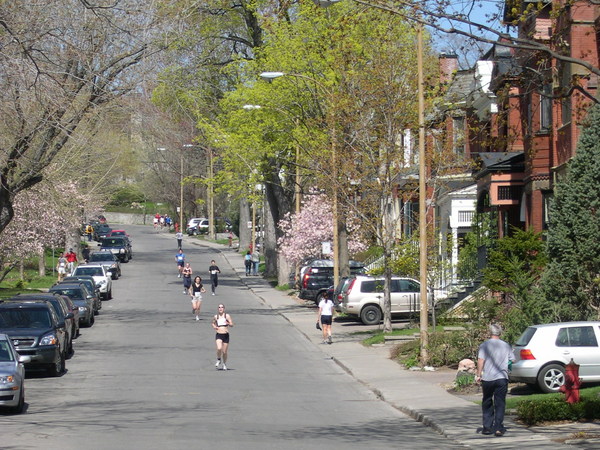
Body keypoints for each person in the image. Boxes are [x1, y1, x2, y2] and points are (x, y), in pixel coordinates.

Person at [476, 324, 515, 437]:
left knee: (487, 401)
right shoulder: (506, 345)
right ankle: (498, 427)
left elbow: (480, 360)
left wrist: (478, 374)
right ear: (500, 333)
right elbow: (513, 359)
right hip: (502, 377)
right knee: (500, 402)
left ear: (490, 332)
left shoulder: (484, 345)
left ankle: (487, 427)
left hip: (488, 378)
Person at [212, 304, 234, 370]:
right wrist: (215, 327)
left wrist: (228, 324)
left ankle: (224, 364)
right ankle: (218, 359)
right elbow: (213, 323)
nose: (220, 308)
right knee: (219, 348)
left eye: (222, 307)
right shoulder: (216, 316)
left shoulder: (227, 316)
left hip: (225, 335)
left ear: (224, 308)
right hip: (219, 334)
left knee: (224, 352)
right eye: (219, 307)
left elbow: (232, 324)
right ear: (218, 309)